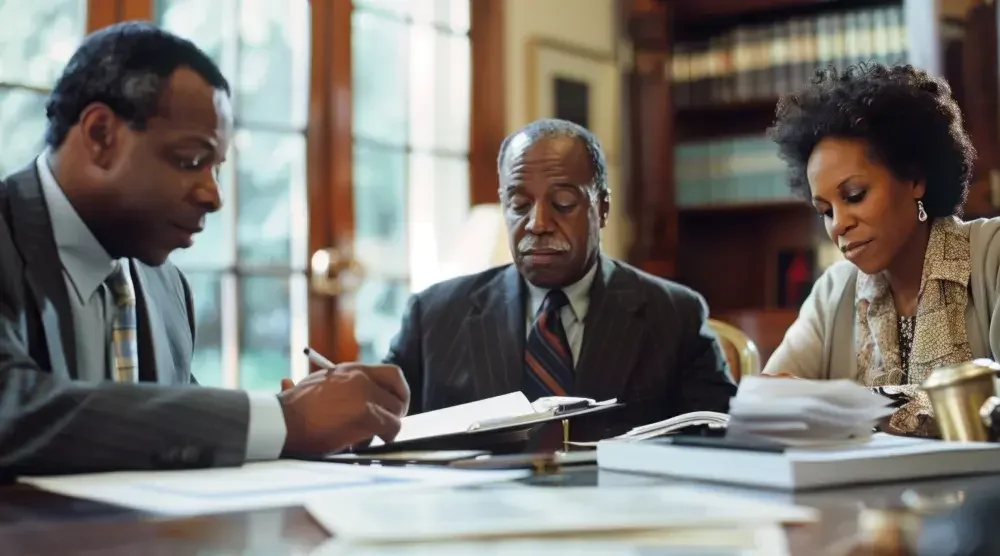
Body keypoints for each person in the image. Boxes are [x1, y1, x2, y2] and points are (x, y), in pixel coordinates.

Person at [0, 22, 408, 476]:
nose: (214, 196)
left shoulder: (166, 286)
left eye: (217, 168)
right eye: (191, 160)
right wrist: (286, 420)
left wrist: (309, 427)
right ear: (100, 135)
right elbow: (11, 409)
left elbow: (172, 432)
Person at [385, 118, 736, 437]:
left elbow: (720, 434)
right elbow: (375, 427)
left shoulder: (674, 315)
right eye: (519, 204)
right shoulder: (432, 316)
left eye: (564, 203)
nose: (537, 223)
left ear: (602, 209)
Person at [763, 62, 1000, 436]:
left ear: (916, 179)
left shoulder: (994, 256)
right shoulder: (834, 291)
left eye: (854, 195)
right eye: (825, 211)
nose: (838, 224)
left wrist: (839, 406)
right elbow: (771, 399)